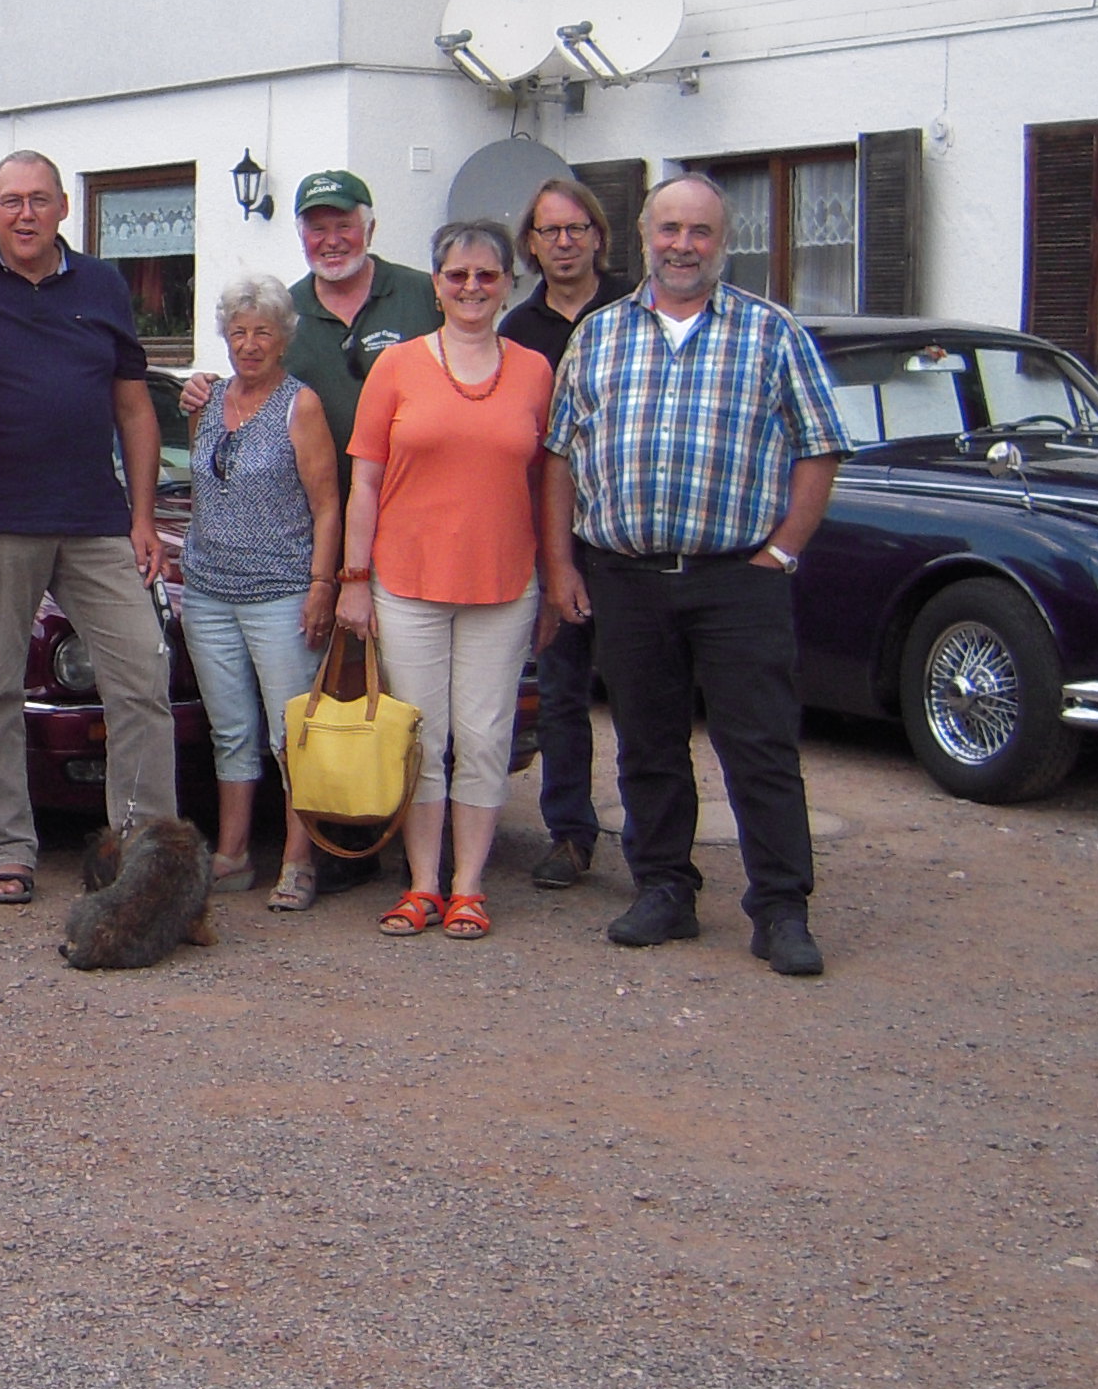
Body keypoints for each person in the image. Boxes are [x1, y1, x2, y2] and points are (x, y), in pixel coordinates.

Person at [540, 174, 852, 976]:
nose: (683, 245)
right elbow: (560, 457)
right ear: (645, 237)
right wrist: (561, 563)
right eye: (670, 229)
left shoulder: (771, 332)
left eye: (700, 231)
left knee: (760, 747)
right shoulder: (600, 335)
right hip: (627, 577)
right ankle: (664, 889)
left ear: (723, 242)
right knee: (647, 745)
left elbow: (820, 446)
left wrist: (783, 551)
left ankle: (780, 909)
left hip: (737, 579)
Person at [0, 151, 174, 908]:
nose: (25, 214)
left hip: (96, 518)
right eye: (10, 201)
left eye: (39, 199)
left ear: (65, 207)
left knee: (143, 680)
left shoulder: (103, 285)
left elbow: (133, 407)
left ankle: (142, 851)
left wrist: (143, 515)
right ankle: (8, 849)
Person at [336, 219, 552, 942]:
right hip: (406, 582)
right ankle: (423, 883)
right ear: (436, 285)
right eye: (457, 275)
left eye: (487, 275)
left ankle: (469, 887)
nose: (471, 287)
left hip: (503, 584)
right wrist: (354, 578)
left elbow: (547, 482)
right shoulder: (396, 367)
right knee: (419, 740)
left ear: (508, 284)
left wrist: (555, 573)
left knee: (485, 739)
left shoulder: (534, 371)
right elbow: (364, 483)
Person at [178, 276, 342, 914]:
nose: (249, 344)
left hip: (281, 592)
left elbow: (327, 505)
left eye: (263, 333)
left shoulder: (301, 405)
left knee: (291, 732)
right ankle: (233, 853)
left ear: (283, 339)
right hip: (208, 592)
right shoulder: (206, 399)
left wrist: (322, 585)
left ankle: (299, 861)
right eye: (239, 332)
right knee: (230, 730)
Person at [502, 175, 631, 892]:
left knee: (642, 695)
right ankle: (570, 834)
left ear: (597, 236)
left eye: (576, 228)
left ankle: (652, 838)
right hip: (553, 533)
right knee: (560, 693)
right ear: (532, 243)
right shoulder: (518, 332)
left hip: (628, 530)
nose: (563, 242)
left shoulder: (637, 309)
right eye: (549, 231)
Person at [182, 169, 438, 470]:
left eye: (344, 226)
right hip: (315, 494)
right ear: (301, 236)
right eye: (318, 229)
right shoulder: (282, 312)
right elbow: (254, 386)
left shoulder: (425, 294)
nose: (332, 241)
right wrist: (206, 389)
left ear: (370, 229)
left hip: (417, 488)